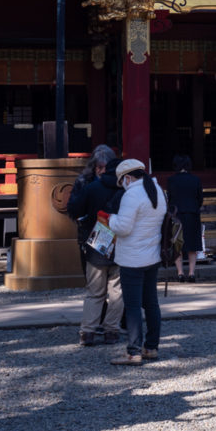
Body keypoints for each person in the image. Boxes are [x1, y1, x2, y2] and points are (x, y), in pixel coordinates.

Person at [107, 159, 167, 364]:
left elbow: (123, 228)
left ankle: (133, 352)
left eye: (121, 181)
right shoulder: (157, 190)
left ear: (127, 178)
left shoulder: (132, 194)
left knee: (132, 307)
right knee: (151, 304)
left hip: (132, 258)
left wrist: (111, 218)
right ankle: (151, 347)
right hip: (152, 255)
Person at [69, 145, 123, 346]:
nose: (100, 170)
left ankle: (88, 331)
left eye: (102, 167)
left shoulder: (89, 187)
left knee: (94, 290)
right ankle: (111, 331)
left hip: (95, 241)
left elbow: (73, 209)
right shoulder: (125, 187)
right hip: (119, 241)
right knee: (116, 290)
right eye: (98, 167)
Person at [167, 154, 204, 283]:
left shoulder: (171, 180)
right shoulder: (195, 179)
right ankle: (192, 273)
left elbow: (169, 199)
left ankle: (180, 273)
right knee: (192, 245)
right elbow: (200, 199)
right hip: (192, 214)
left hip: (177, 215)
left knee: (177, 244)